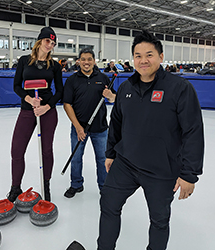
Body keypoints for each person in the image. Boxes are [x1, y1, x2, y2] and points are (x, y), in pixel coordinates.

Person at [97, 30, 204, 250]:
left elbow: (193, 131)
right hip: (126, 163)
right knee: (108, 205)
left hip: (161, 170)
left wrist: (189, 174)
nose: (143, 60)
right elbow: (116, 122)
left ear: (161, 57)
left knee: (159, 220)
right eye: (138, 55)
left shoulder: (180, 89)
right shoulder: (126, 88)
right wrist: (111, 153)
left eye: (149, 54)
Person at [7, 26, 63, 202]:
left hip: (47, 111)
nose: (50, 45)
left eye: (53, 43)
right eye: (48, 41)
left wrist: (47, 107)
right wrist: (30, 100)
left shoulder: (54, 65)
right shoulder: (24, 61)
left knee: (46, 150)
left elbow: (60, 91)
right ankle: (15, 188)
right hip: (27, 110)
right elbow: (16, 85)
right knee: (17, 150)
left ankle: (46, 186)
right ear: (40, 41)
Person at [63, 48, 116, 198]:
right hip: (79, 128)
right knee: (76, 157)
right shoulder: (72, 80)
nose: (86, 62)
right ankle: (76, 184)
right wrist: (78, 127)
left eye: (89, 59)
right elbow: (67, 104)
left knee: (102, 159)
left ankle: (104, 186)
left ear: (94, 61)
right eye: (83, 59)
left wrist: (110, 95)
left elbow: (115, 99)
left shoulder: (104, 78)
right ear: (79, 61)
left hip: (100, 128)